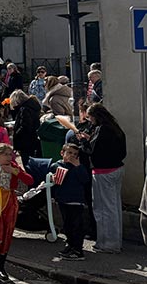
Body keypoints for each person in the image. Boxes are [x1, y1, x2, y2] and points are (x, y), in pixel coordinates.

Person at [77, 103, 126, 254]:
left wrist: (84, 141)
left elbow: (92, 150)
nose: (90, 120)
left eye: (90, 117)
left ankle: (107, 244)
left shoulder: (102, 130)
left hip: (103, 172)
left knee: (103, 209)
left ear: (96, 116)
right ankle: (116, 241)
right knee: (114, 206)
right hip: (117, 169)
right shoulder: (115, 128)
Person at [0, 143, 33, 284]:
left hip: (9, 203)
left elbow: (29, 180)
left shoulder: (13, 166)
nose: (9, 157)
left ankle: (1, 267)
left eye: (11, 154)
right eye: (6, 154)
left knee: (7, 234)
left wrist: (14, 171)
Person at [52, 143, 90, 260]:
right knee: (67, 225)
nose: (72, 156)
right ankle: (70, 245)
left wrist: (78, 166)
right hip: (63, 200)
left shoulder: (78, 167)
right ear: (62, 153)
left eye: (75, 154)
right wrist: (52, 179)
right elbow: (52, 180)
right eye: (69, 153)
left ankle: (78, 250)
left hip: (76, 200)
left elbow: (85, 179)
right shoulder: (56, 165)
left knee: (77, 226)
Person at [9, 89, 42, 164]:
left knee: (27, 162)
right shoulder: (33, 106)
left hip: (25, 142)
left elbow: (25, 126)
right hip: (34, 139)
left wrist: (16, 134)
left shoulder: (24, 109)